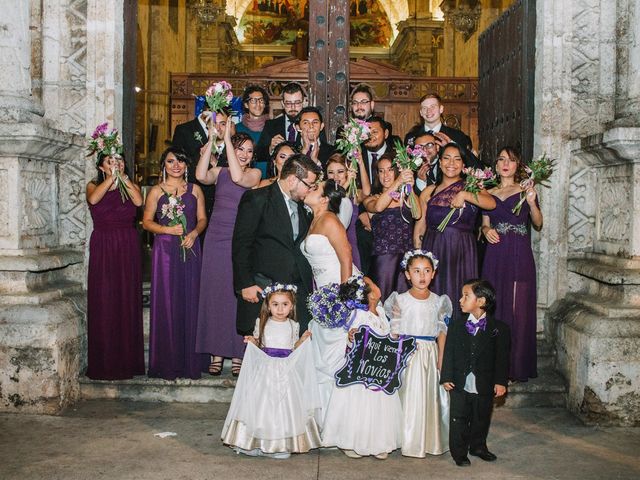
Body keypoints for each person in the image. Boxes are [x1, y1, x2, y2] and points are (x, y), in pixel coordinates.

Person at [221, 283, 321, 458]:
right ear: (268, 305)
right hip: (265, 370)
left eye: (285, 304)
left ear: (291, 306)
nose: (280, 309)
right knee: (261, 407)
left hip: (286, 371)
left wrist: (302, 340)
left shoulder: (293, 325)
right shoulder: (262, 323)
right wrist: (252, 341)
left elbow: (293, 346)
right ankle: (256, 444)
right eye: (275, 304)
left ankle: (280, 444)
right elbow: (260, 343)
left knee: (284, 408)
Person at [195, 122, 262, 376]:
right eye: (240, 149)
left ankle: (237, 352)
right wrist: (213, 139)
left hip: (240, 239)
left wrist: (227, 139)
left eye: (249, 151)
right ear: (232, 150)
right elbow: (201, 176)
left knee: (236, 297)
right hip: (215, 237)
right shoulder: (220, 171)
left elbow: (238, 177)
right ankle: (216, 352)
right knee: (215, 294)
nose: (245, 155)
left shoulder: (253, 174)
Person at [232, 153, 322, 337]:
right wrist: (245, 283)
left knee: (298, 347)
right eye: (309, 185)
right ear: (291, 180)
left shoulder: (304, 206)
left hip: (299, 290)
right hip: (264, 286)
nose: (311, 190)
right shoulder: (257, 199)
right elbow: (242, 244)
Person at [143, 147, 208, 380]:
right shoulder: (156, 191)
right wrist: (167, 229)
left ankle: (192, 360)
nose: (176, 165)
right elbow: (147, 222)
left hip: (191, 249)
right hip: (166, 251)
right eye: (171, 161)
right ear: (164, 165)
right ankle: (167, 361)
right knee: (168, 302)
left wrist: (194, 233)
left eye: (180, 161)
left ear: (187, 165)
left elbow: (202, 219)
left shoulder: (196, 190)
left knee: (191, 300)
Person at [322, 276, 402, 459]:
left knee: (379, 407)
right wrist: (352, 337)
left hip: (379, 370)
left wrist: (396, 329)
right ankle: (350, 441)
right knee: (357, 406)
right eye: (374, 284)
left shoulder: (381, 313)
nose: (378, 285)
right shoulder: (358, 315)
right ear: (370, 296)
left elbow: (389, 338)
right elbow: (352, 335)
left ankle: (379, 442)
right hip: (360, 370)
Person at [481, 147, 543, 382]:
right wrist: (486, 230)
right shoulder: (488, 192)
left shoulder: (525, 190)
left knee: (518, 309)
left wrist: (533, 202)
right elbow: (484, 224)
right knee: (496, 306)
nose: (506, 163)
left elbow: (537, 222)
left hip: (519, 253)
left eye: (512, 160)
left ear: (518, 165)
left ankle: (516, 366)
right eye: (502, 159)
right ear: (496, 165)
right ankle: (497, 366)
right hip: (495, 254)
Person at [300, 179, 358, 423]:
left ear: (324, 199)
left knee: (339, 356)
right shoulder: (314, 220)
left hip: (338, 290)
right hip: (324, 293)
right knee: (323, 357)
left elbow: (346, 258)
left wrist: (343, 300)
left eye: (314, 189)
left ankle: (342, 420)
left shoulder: (331, 220)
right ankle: (325, 418)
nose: (308, 189)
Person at [384, 250, 452, 457]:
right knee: (408, 395)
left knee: (429, 397)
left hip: (430, 355)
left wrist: (441, 358)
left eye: (427, 271)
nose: (422, 276)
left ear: (433, 274)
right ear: (407, 274)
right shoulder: (400, 300)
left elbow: (441, 332)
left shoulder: (439, 301)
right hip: (407, 355)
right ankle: (407, 439)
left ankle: (429, 440)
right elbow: (394, 332)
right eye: (416, 271)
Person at [413, 143, 496, 308]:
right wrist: (417, 254)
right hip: (433, 247)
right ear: (440, 162)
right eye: (447, 158)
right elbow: (420, 226)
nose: (451, 163)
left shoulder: (471, 186)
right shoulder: (429, 191)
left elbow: (491, 203)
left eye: (457, 159)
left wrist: (465, 195)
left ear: (463, 165)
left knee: (459, 291)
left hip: (461, 250)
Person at [86, 148, 145, 380]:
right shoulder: (93, 184)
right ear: (101, 166)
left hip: (127, 244)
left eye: (119, 160)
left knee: (126, 297)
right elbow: (93, 199)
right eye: (110, 161)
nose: (116, 163)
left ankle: (128, 362)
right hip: (104, 244)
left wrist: (124, 179)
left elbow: (139, 201)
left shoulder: (130, 185)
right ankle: (105, 362)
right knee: (105, 297)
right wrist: (111, 178)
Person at [441, 279, 511, 467]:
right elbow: (448, 353)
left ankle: (478, 446)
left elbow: (502, 359)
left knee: (481, 417)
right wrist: (446, 376)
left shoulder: (500, 329)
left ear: (480, 301)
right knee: (459, 418)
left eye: (466, 296)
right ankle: (459, 452)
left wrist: (500, 382)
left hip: (484, 382)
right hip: (459, 382)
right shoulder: (456, 326)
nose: (460, 300)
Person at [363, 154, 419, 301]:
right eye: (381, 171)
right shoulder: (372, 198)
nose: (385, 175)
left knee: (405, 304)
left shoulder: (405, 197)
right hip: (384, 260)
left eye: (389, 170)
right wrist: (398, 181)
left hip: (407, 258)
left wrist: (410, 188)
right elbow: (380, 207)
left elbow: (417, 213)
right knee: (382, 301)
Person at [172, 108, 234, 223]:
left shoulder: (235, 149)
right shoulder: (196, 148)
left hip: (226, 209)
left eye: (223, 124)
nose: (218, 128)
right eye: (214, 124)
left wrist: (216, 163)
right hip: (198, 206)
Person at [404, 93, 479, 167]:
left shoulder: (457, 136)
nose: (428, 111)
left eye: (433, 106)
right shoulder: (411, 137)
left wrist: (451, 145)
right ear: (421, 112)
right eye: (424, 108)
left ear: (441, 109)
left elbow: (471, 164)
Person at [325, 153, 371, 270]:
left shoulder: (353, 193)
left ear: (348, 172)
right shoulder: (324, 196)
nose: (335, 177)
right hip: (330, 246)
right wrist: (345, 184)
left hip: (351, 244)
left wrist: (360, 163)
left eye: (340, 171)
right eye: (331, 172)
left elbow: (366, 192)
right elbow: (333, 202)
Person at [255, 82, 306, 163]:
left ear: (303, 102)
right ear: (282, 104)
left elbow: (323, 152)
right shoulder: (271, 125)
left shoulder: (312, 125)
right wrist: (270, 148)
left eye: (297, 103)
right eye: (288, 103)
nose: (293, 107)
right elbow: (257, 155)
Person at [235, 85, 270, 176]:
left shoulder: (273, 127)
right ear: (246, 104)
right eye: (253, 101)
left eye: (261, 100)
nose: (258, 104)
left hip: (267, 179)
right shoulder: (236, 129)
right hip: (244, 178)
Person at [294, 106, 335, 170]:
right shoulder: (291, 150)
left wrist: (316, 161)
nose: (311, 126)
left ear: (321, 126)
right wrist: (304, 151)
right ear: (298, 128)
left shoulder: (332, 152)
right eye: (306, 123)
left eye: (315, 122)